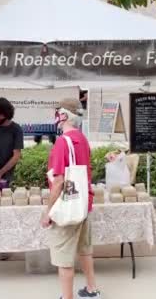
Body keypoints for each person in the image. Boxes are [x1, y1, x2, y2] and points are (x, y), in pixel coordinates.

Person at [41, 98, 100, 299]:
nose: (55, 116)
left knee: (63, 257)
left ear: (64, 115)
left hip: (66, 206)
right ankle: (92, 290)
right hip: (84, 203)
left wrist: (47, 212)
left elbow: (58, 182)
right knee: (84, 249)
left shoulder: (61, 143)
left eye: (57, 112)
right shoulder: (82, 139)